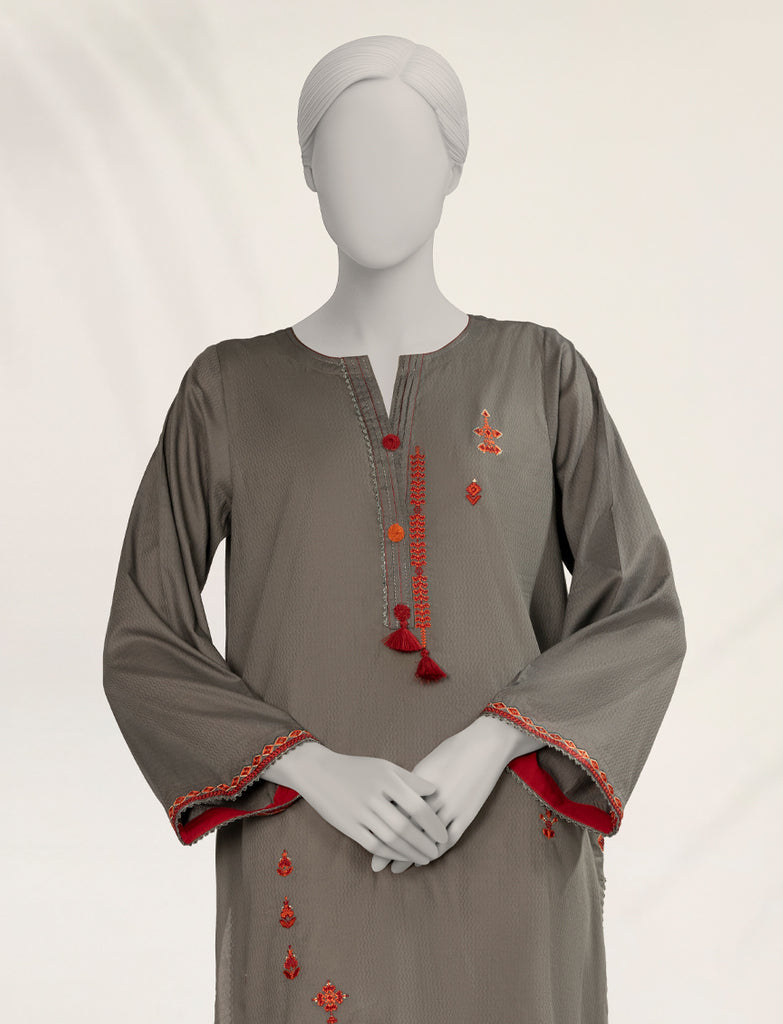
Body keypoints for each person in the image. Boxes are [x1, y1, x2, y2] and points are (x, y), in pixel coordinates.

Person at [103, 34, 687, 1024]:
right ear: (308, 171)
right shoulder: (227, 391)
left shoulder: (540, 376)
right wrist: (306, 765)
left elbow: (639, 612)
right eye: (348, 152)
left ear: (454, 167)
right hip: (303, 847)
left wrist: (492, 743)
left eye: (407, 153)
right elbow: (143, 640)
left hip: (509, 847)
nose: (376, 181)